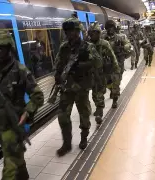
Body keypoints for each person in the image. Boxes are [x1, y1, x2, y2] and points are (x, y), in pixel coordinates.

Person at [0, 30, 44, 180]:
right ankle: (23, 176)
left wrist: (28, 112)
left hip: (14, 122)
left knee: (9, 164)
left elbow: (38, 95)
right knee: (14, 154)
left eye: (2, 48)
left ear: (9, 48)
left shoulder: (20, 70)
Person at [55, 18, 103, 156]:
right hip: (67, 87)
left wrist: (83, 65)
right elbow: (58, 63)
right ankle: (67, 143)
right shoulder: (63, 47)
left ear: (78, 32)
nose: (70, 34)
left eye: (73, 31)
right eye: (68, 31)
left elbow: (98, 63)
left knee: (84, 115)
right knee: (62, 115)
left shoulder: (87, 47)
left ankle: (84, 136)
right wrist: (58, 75)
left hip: (81, 87)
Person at [88, 22, 120, 125]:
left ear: (99, 33)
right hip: (92, 73)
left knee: (101, 92)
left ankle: (100, 113)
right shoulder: (87, 45)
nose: (94, 35)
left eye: (96, 33)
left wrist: (116, 69)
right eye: (92, 33)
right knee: (94, 94)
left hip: (104, 72)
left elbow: (112, 56)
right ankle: (98, 107)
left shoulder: (104, 44)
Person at [103, 20, 131, 108]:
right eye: (108, 28)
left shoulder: (121, 37)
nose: (110, 29)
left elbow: (128, 45)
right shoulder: (103, 38)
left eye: (112, 27)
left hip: (118, 64)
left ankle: (115, 99)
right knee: (108, 83)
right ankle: (111, 90)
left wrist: (123, 46)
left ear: (114, 28)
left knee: (116, 82)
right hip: (107, 65)